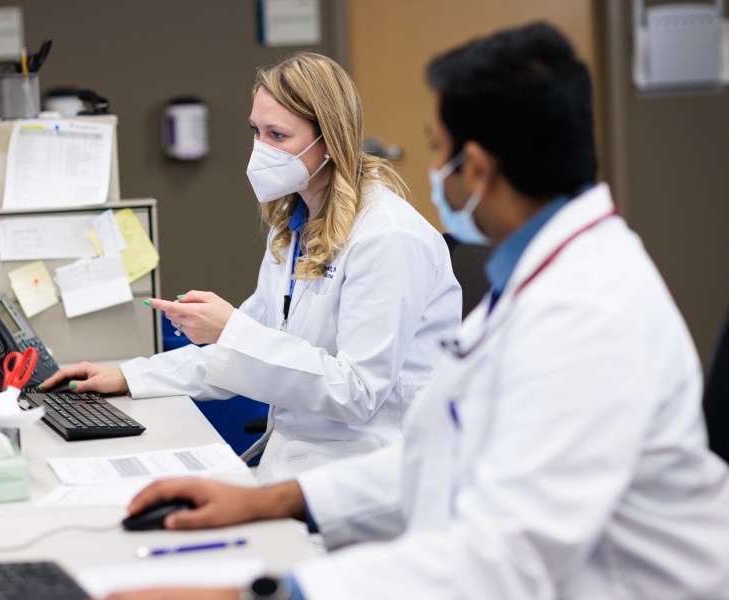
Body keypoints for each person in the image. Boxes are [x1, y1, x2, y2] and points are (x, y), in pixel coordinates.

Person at [102, 23, 729, 600]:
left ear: (476, 168)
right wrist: (280, 501)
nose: (431, 174)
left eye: (437, 150)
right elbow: (442, 454)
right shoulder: (540, 278)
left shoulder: (586, 311)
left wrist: (264, 593)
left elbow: (507, 559)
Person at [41, 52, 462, 484]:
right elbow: (250, 349)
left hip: (371, 472)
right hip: (303, 457)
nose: (262, 149)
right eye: (256, 132)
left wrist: (230, 330)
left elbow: (356, 392)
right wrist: (130, 375)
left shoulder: (387, 238)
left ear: (331, 142)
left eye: (278, 135)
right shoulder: (296, 225)